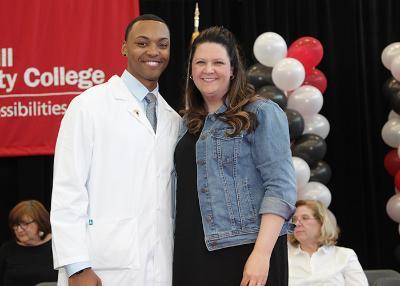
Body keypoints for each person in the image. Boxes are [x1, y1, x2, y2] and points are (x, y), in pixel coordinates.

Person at [50, 14, 181, 286]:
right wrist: (77, 266)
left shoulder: (173, 120)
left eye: (162, 44)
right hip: (100, 268)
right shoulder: (89, 106)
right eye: (142, 43)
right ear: (124, 48)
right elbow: (67, 190)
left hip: (161, 267)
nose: (153, 52)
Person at [172, 26, 297, 286]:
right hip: (190, 253)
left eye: (218, 62)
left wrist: (261, 255)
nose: (208, 70)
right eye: (200, 62)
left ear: (232, 69)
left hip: (245, 251)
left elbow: (280, 188)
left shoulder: (261, 112)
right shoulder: (186, 123)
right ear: (191, 71)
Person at [288, 200, 368, 286]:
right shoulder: (285, 259)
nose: (297, 224)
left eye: (305, 218)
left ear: (321, 222)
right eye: (294, 219)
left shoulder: (345, 255)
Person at [0, 200, 57, 286]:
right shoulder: (7, 249)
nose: (19, 229)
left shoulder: (56, 246)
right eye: (15, 225)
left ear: (40, 222)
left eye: (25, 224)